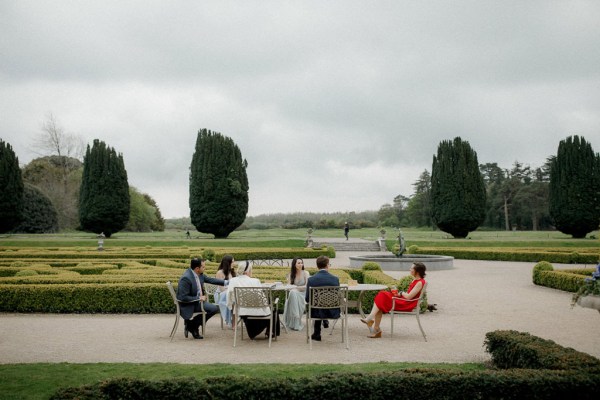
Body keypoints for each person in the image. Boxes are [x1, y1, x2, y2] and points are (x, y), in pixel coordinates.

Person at [360, 262, 427, 338]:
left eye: (412, 268)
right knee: (381, 298)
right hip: (404, 300)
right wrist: (397, 294)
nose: (410, 269)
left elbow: (408, 297)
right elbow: (408, 295)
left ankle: (372, 322)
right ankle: (375, 326)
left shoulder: (419, 283)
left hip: (406, 304)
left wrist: (401, 293)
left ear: (417, 271)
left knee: (382, 295)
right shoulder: (416, 280)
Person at [176, 257, 227, 340]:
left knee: (214, 308)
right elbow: (183, 297)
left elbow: (211, 280)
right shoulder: (185, 278)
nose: (205, 268)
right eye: (203, 267)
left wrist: (226, 282)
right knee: (214, 309)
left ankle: (191, 324)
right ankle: (193, 326)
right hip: (189, 304)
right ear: (197, 268)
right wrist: (199, 297)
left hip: (198, 302)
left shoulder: (199, 274)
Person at [227, 261, 280, 339]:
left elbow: (229, 295)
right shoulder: (255, 281)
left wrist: (232, 307)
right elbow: (262, 299)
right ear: (248, 271)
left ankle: (257, 331)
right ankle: (270, 331)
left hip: (242, 311)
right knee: (274, 311)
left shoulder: (233, 281)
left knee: (269, 309)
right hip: (256, 311)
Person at [305, 255, 339, 342]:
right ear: (327, 265)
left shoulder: (311, 280)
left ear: (317, 266)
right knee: (322, 305)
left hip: (316, 313)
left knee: (317, 306)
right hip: (332, 311)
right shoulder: (335, 279)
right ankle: (317, 332)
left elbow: (307, 299)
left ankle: (317, 333)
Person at [282, 257, 310, 331]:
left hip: (303, 294)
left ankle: (296, 316)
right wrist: (294, 288)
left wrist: (296, 287)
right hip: (294, 294)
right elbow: (288, 286)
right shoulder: (291, 274)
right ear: (294, 264)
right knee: (292, 292)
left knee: (293, 292)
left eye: (301, 263)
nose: (301, 264)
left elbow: (307, 286)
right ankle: (296, 315)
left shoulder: (306, 273)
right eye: (299, 263)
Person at [214, 255, 236, 328]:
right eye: (232, 262)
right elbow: (221, 289)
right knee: (233, 299)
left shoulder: (232, 272)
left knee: (235, 299)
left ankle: (234, 321)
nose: (234, 263)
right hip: (221, 295)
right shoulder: (219, 273)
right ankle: (233, 322)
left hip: (230, 293)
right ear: (227, 263)